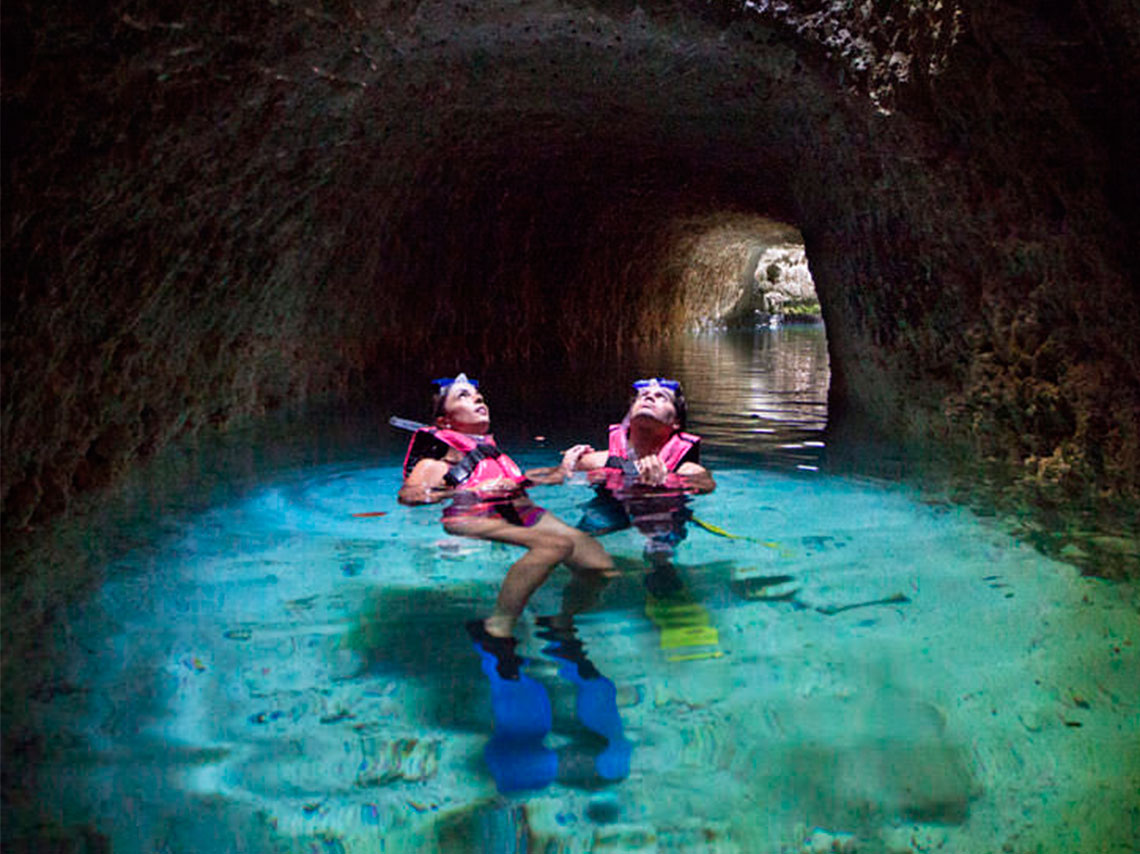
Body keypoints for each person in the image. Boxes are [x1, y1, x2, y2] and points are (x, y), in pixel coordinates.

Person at [398, 373, 614, 638]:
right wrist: (473, 489)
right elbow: (408, 497)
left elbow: (523, 480)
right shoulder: (434, 465)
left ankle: (560, 622)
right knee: (554, 545)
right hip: (472, 517)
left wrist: (563, 469)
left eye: (479, 396)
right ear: (445, 421)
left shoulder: (498, 458)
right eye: (463, 396)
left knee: (599, 566)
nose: (478, 400)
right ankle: (497, 628)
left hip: (521, 512)